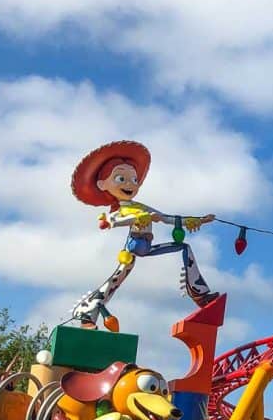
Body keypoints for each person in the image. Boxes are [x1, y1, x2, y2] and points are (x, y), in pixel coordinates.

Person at [69, 140, 219, 329]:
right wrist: (137, 219)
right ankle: (88, 313)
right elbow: (113, 221)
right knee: (115, 280)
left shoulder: (140, 207)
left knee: (184, 248)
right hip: (132, 247)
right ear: (102, 184)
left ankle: (199, 293)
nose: (130, 184)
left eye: (134, 179)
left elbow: (167, 218)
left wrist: (199, 220)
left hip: (146, 246)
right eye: (121, 179)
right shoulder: (122, 209)